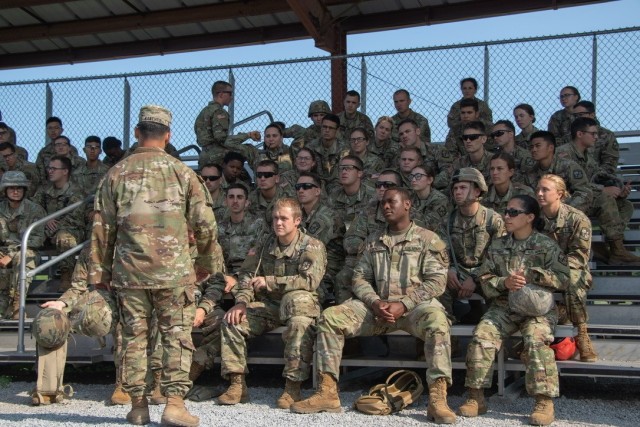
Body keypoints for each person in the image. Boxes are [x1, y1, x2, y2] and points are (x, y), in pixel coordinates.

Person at [88, 105, 222, 427]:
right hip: (173, 273)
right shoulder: (183, 173)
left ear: (137, 133)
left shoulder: (115, 174)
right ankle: (174, 404)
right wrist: (204, 263)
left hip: (129, 273)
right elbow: (205, 225)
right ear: (168, 135)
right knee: (176, 336)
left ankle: (137, 406)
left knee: (134, 339)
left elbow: (100, 229)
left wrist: (100, 274)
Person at [291, 187, 456, 424]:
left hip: (414, 309)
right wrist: (375, 301)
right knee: (331, 317)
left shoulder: (428, 240)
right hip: (376, 309)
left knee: (438, 321)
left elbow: (437, 281)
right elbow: (359, 278)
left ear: (407, 204)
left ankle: (438, 399)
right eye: (383, 203)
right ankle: (327, 392)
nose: (386, 206)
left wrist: (405, 303)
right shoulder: (374, 240)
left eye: (392, 202)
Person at [458, 195, 570, 427]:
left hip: (537, 310)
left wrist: (536, 275)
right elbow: (485, 277)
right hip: (505, 306)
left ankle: (543, 401)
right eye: (506, 211)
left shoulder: (546, 245)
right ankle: (475, 396)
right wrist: (503, 284)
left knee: (535, 340)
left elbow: (564, 279)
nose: (506, 216)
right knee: (482, 335)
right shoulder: (498, 245)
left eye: (513, 212)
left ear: (530, 217)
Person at [217, 198, 326, 409]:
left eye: (284, 218)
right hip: (269, 307)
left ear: (297, 220)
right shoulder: (264, 244)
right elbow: (247, 275)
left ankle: (293, 386)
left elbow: (309, 281)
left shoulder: (312, 246)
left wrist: (271, 282)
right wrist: (241, 302)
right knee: (232, 321)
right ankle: (237, 384)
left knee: (301, 323)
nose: (278, 222)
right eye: (275, 218)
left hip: (298, 306)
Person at [189, 183, 265, 383]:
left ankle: (200, 360)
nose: (235, 200)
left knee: (232, 315)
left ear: (247, 202)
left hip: (248, 275)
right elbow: (214, 258)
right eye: (231, 196)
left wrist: (237, 276)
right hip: (221, 275)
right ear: (225, 201)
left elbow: (257, 259)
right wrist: (224, 276)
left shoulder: (258, 225)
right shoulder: (219, 227)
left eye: (240, 197)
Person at [556, 117, 639, 265]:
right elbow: (573, 186)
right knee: (605, 199)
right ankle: (617, 251)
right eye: (593, 133)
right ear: (580, 134)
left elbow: (598, 175)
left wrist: (620, 189)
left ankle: (610, 246)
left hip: (588, 199)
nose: (596, 137)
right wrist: (603, 189)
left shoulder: (588, 156)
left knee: (625, 205)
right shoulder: (564, 154)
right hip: (569, 201)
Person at [536, 174, 597, 362]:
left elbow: (579, 257)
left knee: (572, 284)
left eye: (545, 190)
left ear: (560, 194)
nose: (539, 193)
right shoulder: (533, 218)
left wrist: (554, 270)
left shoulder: (578, 219)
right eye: (538, 189)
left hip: (570, 269)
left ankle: (581, 333)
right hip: (542, 269)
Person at [441, 168, 505, 322]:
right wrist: (448, 270)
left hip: (487, 274)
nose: (457, 192)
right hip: (458, 273)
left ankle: (492, 329)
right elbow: (440, 252)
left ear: (477, 191)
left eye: (463, 188)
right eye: (455, 188)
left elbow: (498, 256)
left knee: (501, 292)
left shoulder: (493, 220)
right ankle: (445, 338)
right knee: (437, 290)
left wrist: (475, 278)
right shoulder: (448, 221)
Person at [337, 169, 401, 302]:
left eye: (387, 185)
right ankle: (347, 314)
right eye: (378, 185)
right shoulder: (368, 211)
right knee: (345, 274)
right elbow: (351, 239)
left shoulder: (408, 211)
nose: (382, 188)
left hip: (399, 261)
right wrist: (370, 250)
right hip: (369, 259)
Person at [31, 155, 85, 291]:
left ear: (65, 171)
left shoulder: (76, 192)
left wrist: (51, 229)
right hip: (46, 229)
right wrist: (46, 219)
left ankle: (66, 277)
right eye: (49, 168)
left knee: (64, 237)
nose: (50, 171)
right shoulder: (44, 190)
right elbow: (33, 209)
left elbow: (74, 218)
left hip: (69, 230)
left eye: (54, 168)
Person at [0, 171, 46, 319]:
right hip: (3, 250)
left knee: (22, 257)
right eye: (11, 188)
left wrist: (12, 254)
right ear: (4, 190)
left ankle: (17, 305)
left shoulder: (35, 210)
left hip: (27, 251)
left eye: (19, 188)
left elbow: (38, 239)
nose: (15, 191)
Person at [296, 172, 341, 302]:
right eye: (298, 187)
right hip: (310, 261)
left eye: (306, 186)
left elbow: (308, 247)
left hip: (330, 267)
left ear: (317, 191)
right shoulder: (302, 214)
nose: (301, 190)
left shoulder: (325, 216)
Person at [195, 80, 260, 168]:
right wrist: (247, 135)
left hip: (204, 156)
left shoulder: (203, 112)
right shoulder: (219, 112)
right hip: (217, 155)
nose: (232, 97)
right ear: (221, 94)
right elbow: (221, 139)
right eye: (230, 93)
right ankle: (262, 176)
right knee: (250, 149)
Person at [525, 130, 592, 213]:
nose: (534, 150)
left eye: (538, 146)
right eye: (531, 147)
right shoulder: (531, 172)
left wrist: (565, 211)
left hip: (570, 209)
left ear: (551, 148)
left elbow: (584, 192)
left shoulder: (568, 166)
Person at [396, 118, 453, 190]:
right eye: (401, 134)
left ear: (418, 131)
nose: (404, 136)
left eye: (408, 131)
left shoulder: (436, 149)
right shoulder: (399, 155)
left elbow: (448, 173)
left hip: (436, 191)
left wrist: (424, 184)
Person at [571, 100, 619, 175]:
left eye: (581, 114)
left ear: (592, 115)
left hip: (599, 178)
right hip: (574, 177)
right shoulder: (569, 135)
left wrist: (592, 177)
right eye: (575, 116)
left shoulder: (607, 135)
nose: (577, 118)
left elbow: (610, 164)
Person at [305, 114, 349, 193]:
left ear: (337, 130)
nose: (327, 130)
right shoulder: (311, 146)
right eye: (324, 127)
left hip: (336, 184)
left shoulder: (344, 149)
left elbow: (342, 174)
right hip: (315, 183)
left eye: (331, 128)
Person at [248, 160, 294, 226]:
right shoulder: (250, 199)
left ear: (277, 178)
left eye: (267, 175)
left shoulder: (289, 198)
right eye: (259, 175)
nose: (262, 178)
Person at [409, 164, 450, 238]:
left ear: (430, 180)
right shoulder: (410, 197)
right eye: (411, 176)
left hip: (436, 240)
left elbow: (429, 226)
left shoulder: (440, 199)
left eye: (418, 176)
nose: (413, 180)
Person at [35, 117, 79, 183]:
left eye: (56, 128)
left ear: (61, 130)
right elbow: (39, 172)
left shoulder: (71, 149)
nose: (53, 131)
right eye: (50, 128)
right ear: (46, 131)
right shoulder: (43, 152)